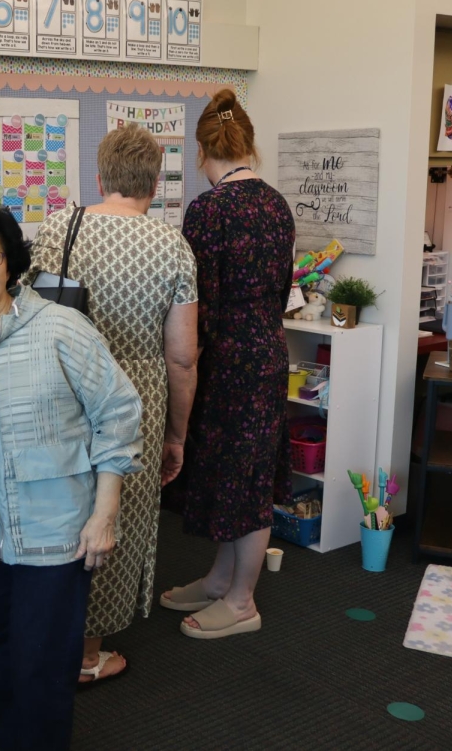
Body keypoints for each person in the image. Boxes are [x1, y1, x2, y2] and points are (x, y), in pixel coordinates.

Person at [0, 202, 143, 751]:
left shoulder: (61, 328)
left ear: (10, 262)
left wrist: (104, 514)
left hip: (55, 535)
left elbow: (118, 414)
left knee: (42, 669)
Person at [26, 123, 198, 682]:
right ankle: (85, 652)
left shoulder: (57, 228)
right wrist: (177, 434)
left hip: (64, 393)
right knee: (111, 519)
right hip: (136, 402)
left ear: (99, 176)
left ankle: (44, 634)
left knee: (58, 512)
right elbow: (182, 357)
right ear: (154, 182)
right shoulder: (172, 245)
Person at [158, 89, 295, 639]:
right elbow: (282, 287)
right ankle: (220, 579)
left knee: (243, 479)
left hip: (227, 360)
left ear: (201, 151)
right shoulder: (276, 204)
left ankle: (242, 601)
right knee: (245, 473)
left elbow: (198, 303)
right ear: (247, 145)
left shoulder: (208, 210)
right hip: (268, 349)